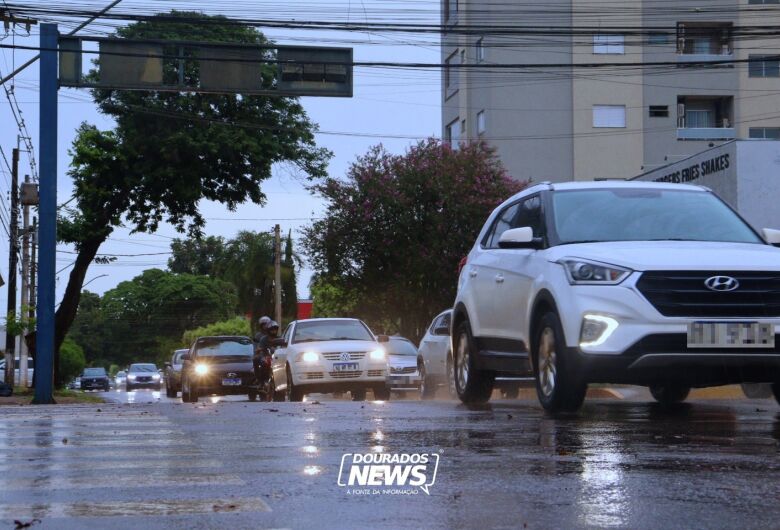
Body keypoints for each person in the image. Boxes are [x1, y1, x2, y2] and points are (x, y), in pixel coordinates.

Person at [253, 320, 285, 386]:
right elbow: (259, 348)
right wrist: (259, 350)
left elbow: (283, 347)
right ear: (268, 330)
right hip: (266, 356)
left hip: (276, 357)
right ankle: (260, 380)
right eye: (272, 330)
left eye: (275, 329)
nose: (273, 331)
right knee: (257, 360)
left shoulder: (280, 339)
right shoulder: (263, 339)